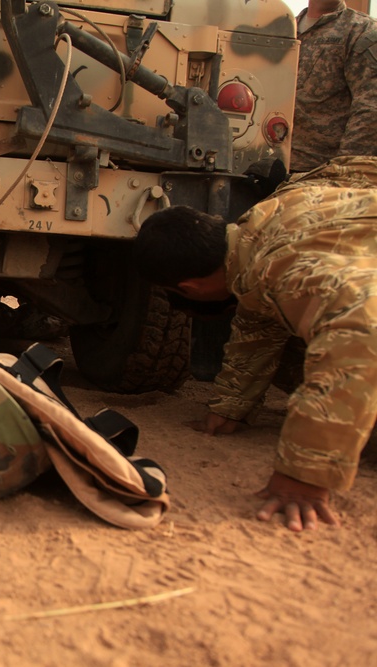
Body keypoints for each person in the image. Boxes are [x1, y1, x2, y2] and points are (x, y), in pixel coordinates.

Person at [132, 155, 377, 532]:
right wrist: (232, 403)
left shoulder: (280, 268)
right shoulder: (264, 223)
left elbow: (361, 334)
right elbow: (258, 309)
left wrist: (305, 476)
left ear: (189, 289)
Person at [290, 0, 377, 172]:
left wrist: (342, 172)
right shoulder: (283, 29)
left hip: (318, 176)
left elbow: (370, 111)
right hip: (261, 168)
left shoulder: (362, 32)